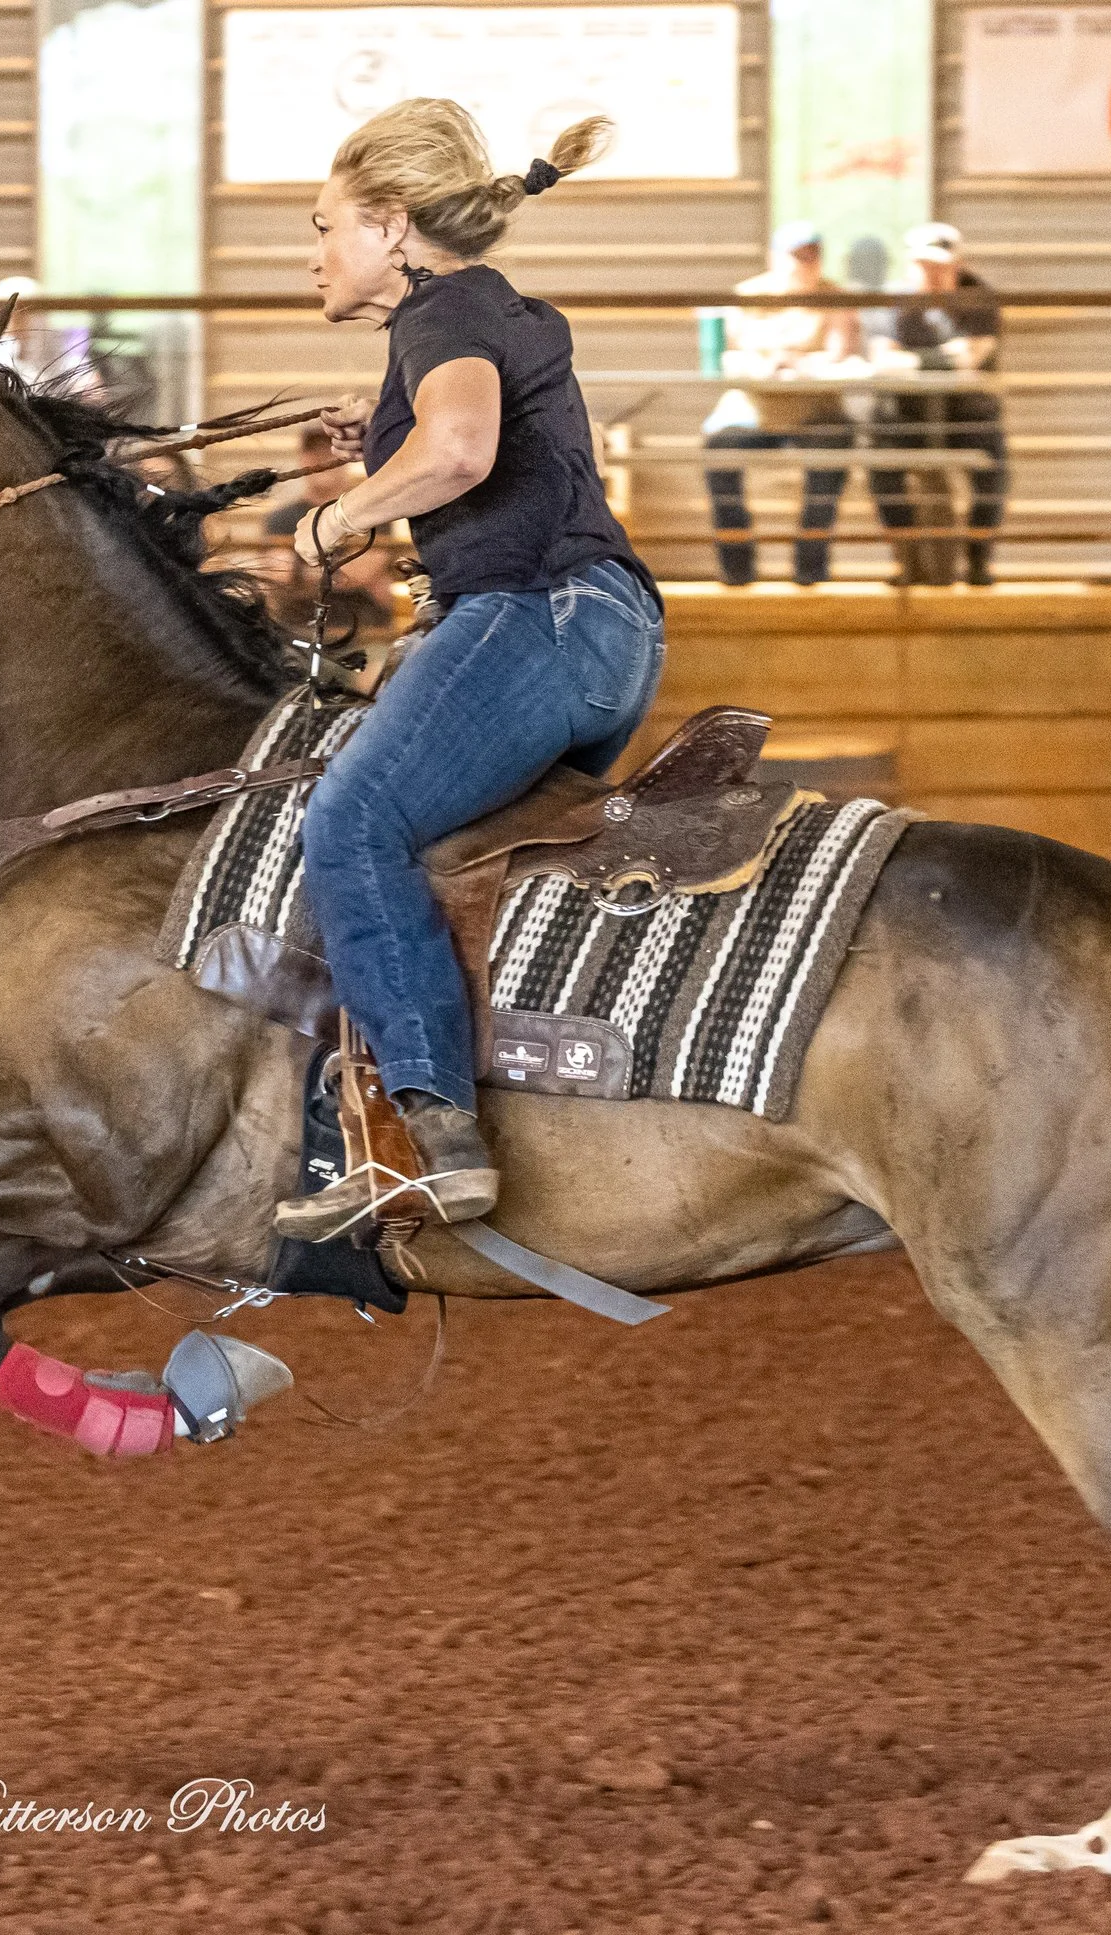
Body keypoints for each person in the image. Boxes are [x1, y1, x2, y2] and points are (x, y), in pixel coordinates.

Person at [272, 98, 665, 1238]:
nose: (314, 255)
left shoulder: (440, 314)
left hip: (534, 620)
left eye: (325, 226)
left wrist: (337, 519)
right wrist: (385, 436)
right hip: (605, 633)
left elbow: (459, 452)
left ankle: (425, 1133)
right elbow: (459, 441)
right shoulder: (478, 314)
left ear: (392, 226)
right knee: (454, 854)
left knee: (350, 825)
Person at [702, 221, 859, 586]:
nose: (805, 264)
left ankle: (810, 565)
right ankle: (737, 565)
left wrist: (790, 363)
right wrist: (775, 364)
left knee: (835, 446)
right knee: (718, 450)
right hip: (753, 409)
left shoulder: (835, 296)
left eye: (812, 256)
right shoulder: (747, 296)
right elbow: (728, 360)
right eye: (797, 256)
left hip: (815, 411)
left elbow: (840, 356)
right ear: (774, 258)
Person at [864, 221, 1006, 586]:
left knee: (994, 474)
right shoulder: (892, 300)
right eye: (924, 265)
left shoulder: (979, 297)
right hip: (905, 410)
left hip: (966, 412)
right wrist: (944, 357)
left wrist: (912, 359)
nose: (932, 274)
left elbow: (972, 357)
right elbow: (882, 360)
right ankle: (906, 560)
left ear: (958, 266)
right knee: (880, 469)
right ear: (909, 265)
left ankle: (977, 560)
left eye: (941, 266)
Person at [262, 421, 397, 638]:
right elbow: (280, 572)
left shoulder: (372, 511)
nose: (322, 459)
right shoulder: (280, 518)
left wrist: (302, 573)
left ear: (345, 458)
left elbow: (365, 570)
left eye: (330, 451)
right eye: (314, 452)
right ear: (302, 458)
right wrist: (345, 575)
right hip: (299, 629)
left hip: (365, 629)